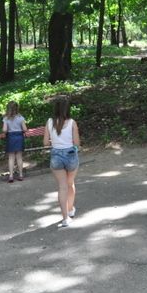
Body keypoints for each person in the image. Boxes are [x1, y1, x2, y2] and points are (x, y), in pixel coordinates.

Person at [43, 96, 80, 228]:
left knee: (62, 186)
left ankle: (65, 218)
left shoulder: (49, 122)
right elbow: (77, 143)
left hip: (56, 156)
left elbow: (45, 143)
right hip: (70, 155)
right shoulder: (72, 123)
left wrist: (55, 142)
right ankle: (70, 209)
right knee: (70, 184)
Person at [3, 101, 28, 183]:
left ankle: (11, 176)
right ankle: (20, 175)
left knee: (11, 157)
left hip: (10, 137)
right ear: (17, 108)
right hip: (19, 137)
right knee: (19, 157)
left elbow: (4, 130)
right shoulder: (21, 117)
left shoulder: (6, 118)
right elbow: (25, 129)